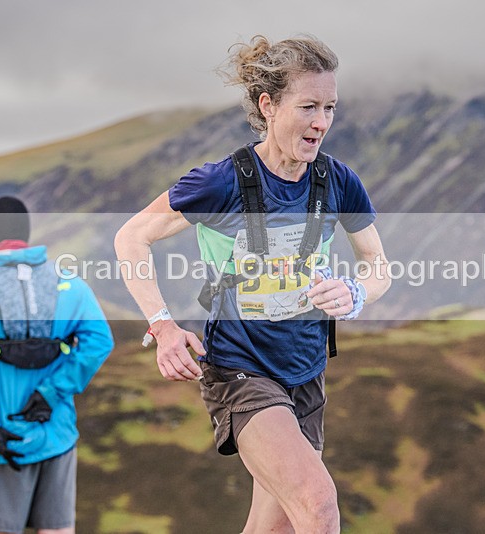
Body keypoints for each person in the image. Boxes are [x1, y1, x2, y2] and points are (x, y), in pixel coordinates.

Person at [115, 35, 390, 533]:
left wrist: (354, 294)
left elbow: (378, 265)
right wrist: (163, 326)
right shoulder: (223, 181)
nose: (321, 122)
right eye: (308, 106)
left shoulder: (338, 181)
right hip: (240, 370)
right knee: (318, 503)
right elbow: (132, 237)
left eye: (330, 107)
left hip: (305, 371)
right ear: (268, 105)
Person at [0, 196, 114, 534]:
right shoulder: (70, 283)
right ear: (26, 232)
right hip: (55, 433)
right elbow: (100, 340)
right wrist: (52, 391)